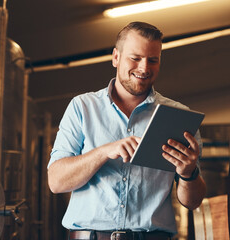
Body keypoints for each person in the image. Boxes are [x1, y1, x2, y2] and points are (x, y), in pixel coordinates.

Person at [47, 21, 206, 240]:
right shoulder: (82, 107)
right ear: (116, 57)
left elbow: (193, 201)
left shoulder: (178, 116)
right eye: (135, 58)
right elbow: (56, 182)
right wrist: (104, 151)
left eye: (153, 60)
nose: (144, 68)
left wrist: (189, 174)